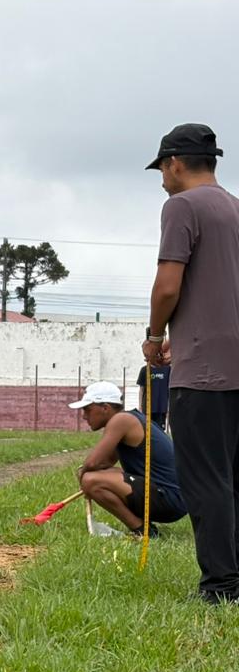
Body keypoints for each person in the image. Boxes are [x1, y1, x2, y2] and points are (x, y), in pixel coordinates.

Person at [143, 123, 239, 603]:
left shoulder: (180, 207)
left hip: (202, 374)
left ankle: (221, 586)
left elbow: (168, 286)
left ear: (175, 161)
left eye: (161, 167)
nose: (161, 178)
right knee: (232, 478)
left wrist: (156, 334)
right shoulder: (235, 208)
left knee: (205, 481)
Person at [71, 381, 187, 538]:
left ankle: (142, 530)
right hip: (175, 498)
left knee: (90, 480)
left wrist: (82, 476)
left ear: (105, 408)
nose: (84, 416)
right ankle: (143, 528)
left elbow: (93, 463)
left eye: (88, 409)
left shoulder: (122, 420)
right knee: (97, 476)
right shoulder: (129, 419)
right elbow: (104, 463)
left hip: (170, 498)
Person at [135, 361, 171, 430]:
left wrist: (169, 406)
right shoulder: (144, 370)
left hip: (161, 408)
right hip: (147, 408)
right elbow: (141, 390)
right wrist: (140, 406)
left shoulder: (168, 370)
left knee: (160, 430)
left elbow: (170, 389)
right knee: (147, 430)